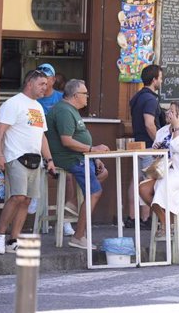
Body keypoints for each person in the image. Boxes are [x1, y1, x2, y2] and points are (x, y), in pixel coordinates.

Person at [0, 69, 57, 254]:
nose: (45, 87)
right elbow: (0, 131)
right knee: (17, 196)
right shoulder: (13, 104)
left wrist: (49, 159)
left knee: (27, 200)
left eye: (46, 84)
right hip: (15, 156)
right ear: (29, 83)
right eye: (41, 84)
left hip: (35, 157)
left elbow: (42, 137)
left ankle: (14, 239)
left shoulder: (38, 107)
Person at [46, 79, 110, 250]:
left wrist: (94, 155)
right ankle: (78, 236)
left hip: (80, 157)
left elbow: (78, 138)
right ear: (75, 96)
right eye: (85, 93)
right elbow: (66, 141)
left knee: (103, 173)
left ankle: (73, 204)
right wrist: (92, 148)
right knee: (95, 192)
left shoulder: (71, 110)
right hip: (69, 159)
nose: (88, 97)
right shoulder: (64, 111)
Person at [139, 102, 179, 238]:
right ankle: (166, 220)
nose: (167, 113)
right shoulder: (163, 131)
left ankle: (166, 225)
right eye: (168, 110)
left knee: (162, 185)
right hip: (164, 171)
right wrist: (157, 151)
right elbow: (156, 152)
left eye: (172, 111)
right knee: (143, 189)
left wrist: (176, 127)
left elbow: (178, 148)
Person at [34, 63, 75, 237]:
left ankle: (65, 218)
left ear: (53, 79)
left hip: (59, 146)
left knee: (69, 178)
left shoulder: (61, 98)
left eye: (46, 78)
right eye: (40, 77)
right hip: (37, 146)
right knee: (33, 168)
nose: (43, 81)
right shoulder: (33, 99)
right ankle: (34, 197)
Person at [126, 64, 164, 229]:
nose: (161, 81)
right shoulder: (150, 98)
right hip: (148, 146)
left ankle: (132, 218)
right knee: (147, 182)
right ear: (154, 79)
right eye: (160, 78)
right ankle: (144, 219)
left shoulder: (138, 96)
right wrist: (158, 143)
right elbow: (149, 124)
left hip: (138, 144)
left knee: (135, 181)